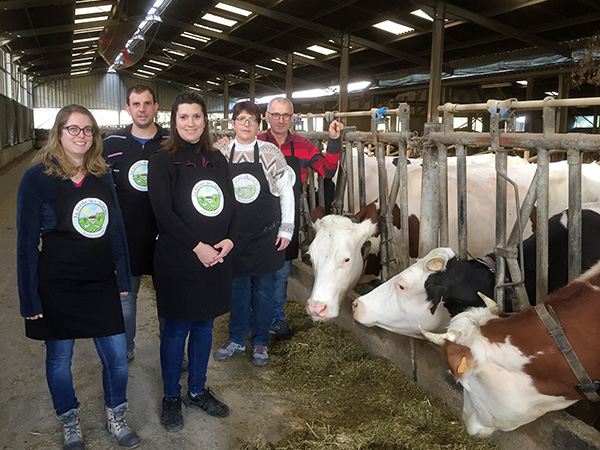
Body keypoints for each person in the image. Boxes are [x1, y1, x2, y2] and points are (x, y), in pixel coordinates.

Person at [16, 104, 140, 449]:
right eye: (74, 129)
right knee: (58, 360)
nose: (82, 136)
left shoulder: (102, 174)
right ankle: (70, 421)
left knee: (117, 358)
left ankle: (116, 416)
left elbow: (116, 230)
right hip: (57, 284)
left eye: (88, 130)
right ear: (58, 133)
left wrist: (122, 280)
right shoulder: (36, 177)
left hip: (100, 282)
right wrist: (29, 299)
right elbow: (26, 245)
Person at [148, 91, 237, 433]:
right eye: (183, 117)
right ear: (174, 121)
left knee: (203, 328)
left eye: (196, 117)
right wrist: (197, 246)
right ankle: (172, 396)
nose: (190, 123)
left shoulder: (217, 159)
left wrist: (230, 239)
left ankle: (197, 391)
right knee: (175, 331)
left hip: (215, 259)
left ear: (205, 120)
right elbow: (163, 213)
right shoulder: (161, 160)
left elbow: (231, 205)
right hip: (179, 260)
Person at [214, 100, 294, 366]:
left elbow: (286, 193)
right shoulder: (222, 152)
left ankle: (260, 342)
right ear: (233, 122)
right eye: (241, 119)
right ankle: (237, 337)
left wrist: (286, 228)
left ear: (259, 125)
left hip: (265, 232)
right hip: (233, 234)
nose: (246, 124)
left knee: (263, 289)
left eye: (252, 120)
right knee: (236, 287)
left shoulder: (270, 152)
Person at [262, 97, 343, 339]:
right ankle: (250, 319)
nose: (280, 119)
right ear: (267, 116)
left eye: (286, 115)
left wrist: (334, 140)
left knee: (281, 272)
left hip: (288, 217)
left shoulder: (303, 146)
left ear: (292, 118)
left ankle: (274, 318)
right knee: (253, 272)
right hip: (256, 217)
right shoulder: (254, 143)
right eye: (275, 114)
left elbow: (328, 170)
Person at [102, 85, 168, 362]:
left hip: (166, 235)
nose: (142, 109)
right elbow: (99, 186)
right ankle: (126, 348)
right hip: (126, 235)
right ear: (127, 109)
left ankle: (171, 349)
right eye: (136, 104)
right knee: (126, 298)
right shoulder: (112, 143)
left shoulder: (171, 140)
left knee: (169, 300)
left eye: (147, 103)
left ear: (155, 107)